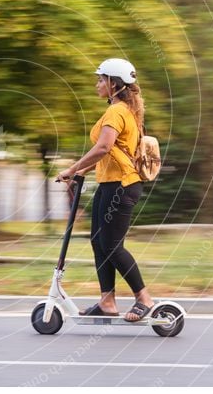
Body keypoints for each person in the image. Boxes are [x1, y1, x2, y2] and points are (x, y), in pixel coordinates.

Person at [56, 58, 154, 322]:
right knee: (99, 242)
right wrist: (81, 171)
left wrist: (71, 168)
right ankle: (107, 301)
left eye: (101, 79)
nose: (97, 84)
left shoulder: (116, 112)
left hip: (121, 186)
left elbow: (103, 148)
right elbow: (109, 154)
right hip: (110, 184)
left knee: (111, 245)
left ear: (114, 83)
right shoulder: (121, 111)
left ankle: (143, 298)